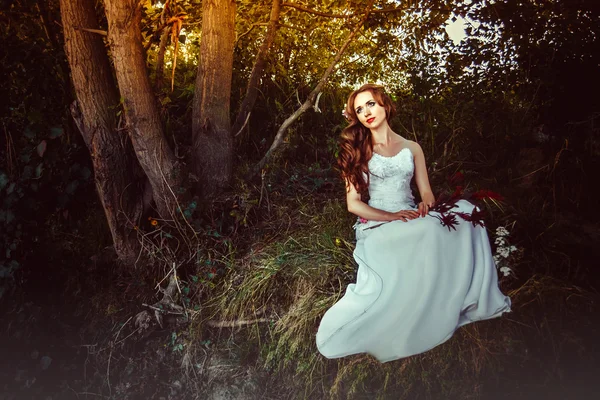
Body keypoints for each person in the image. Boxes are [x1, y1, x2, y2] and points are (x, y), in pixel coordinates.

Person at [315, 84, 511, 362]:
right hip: (378, 223)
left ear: (385, 105)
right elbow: (353, 204)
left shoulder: (412, 147)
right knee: (429, 230)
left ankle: (466, 293)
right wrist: (390, 216)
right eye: (359, 109)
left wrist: (424, 204)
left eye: (370, 104)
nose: (366, 113)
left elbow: (426, 191)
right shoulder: (358, 151)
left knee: (469, 211)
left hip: (410, 214)